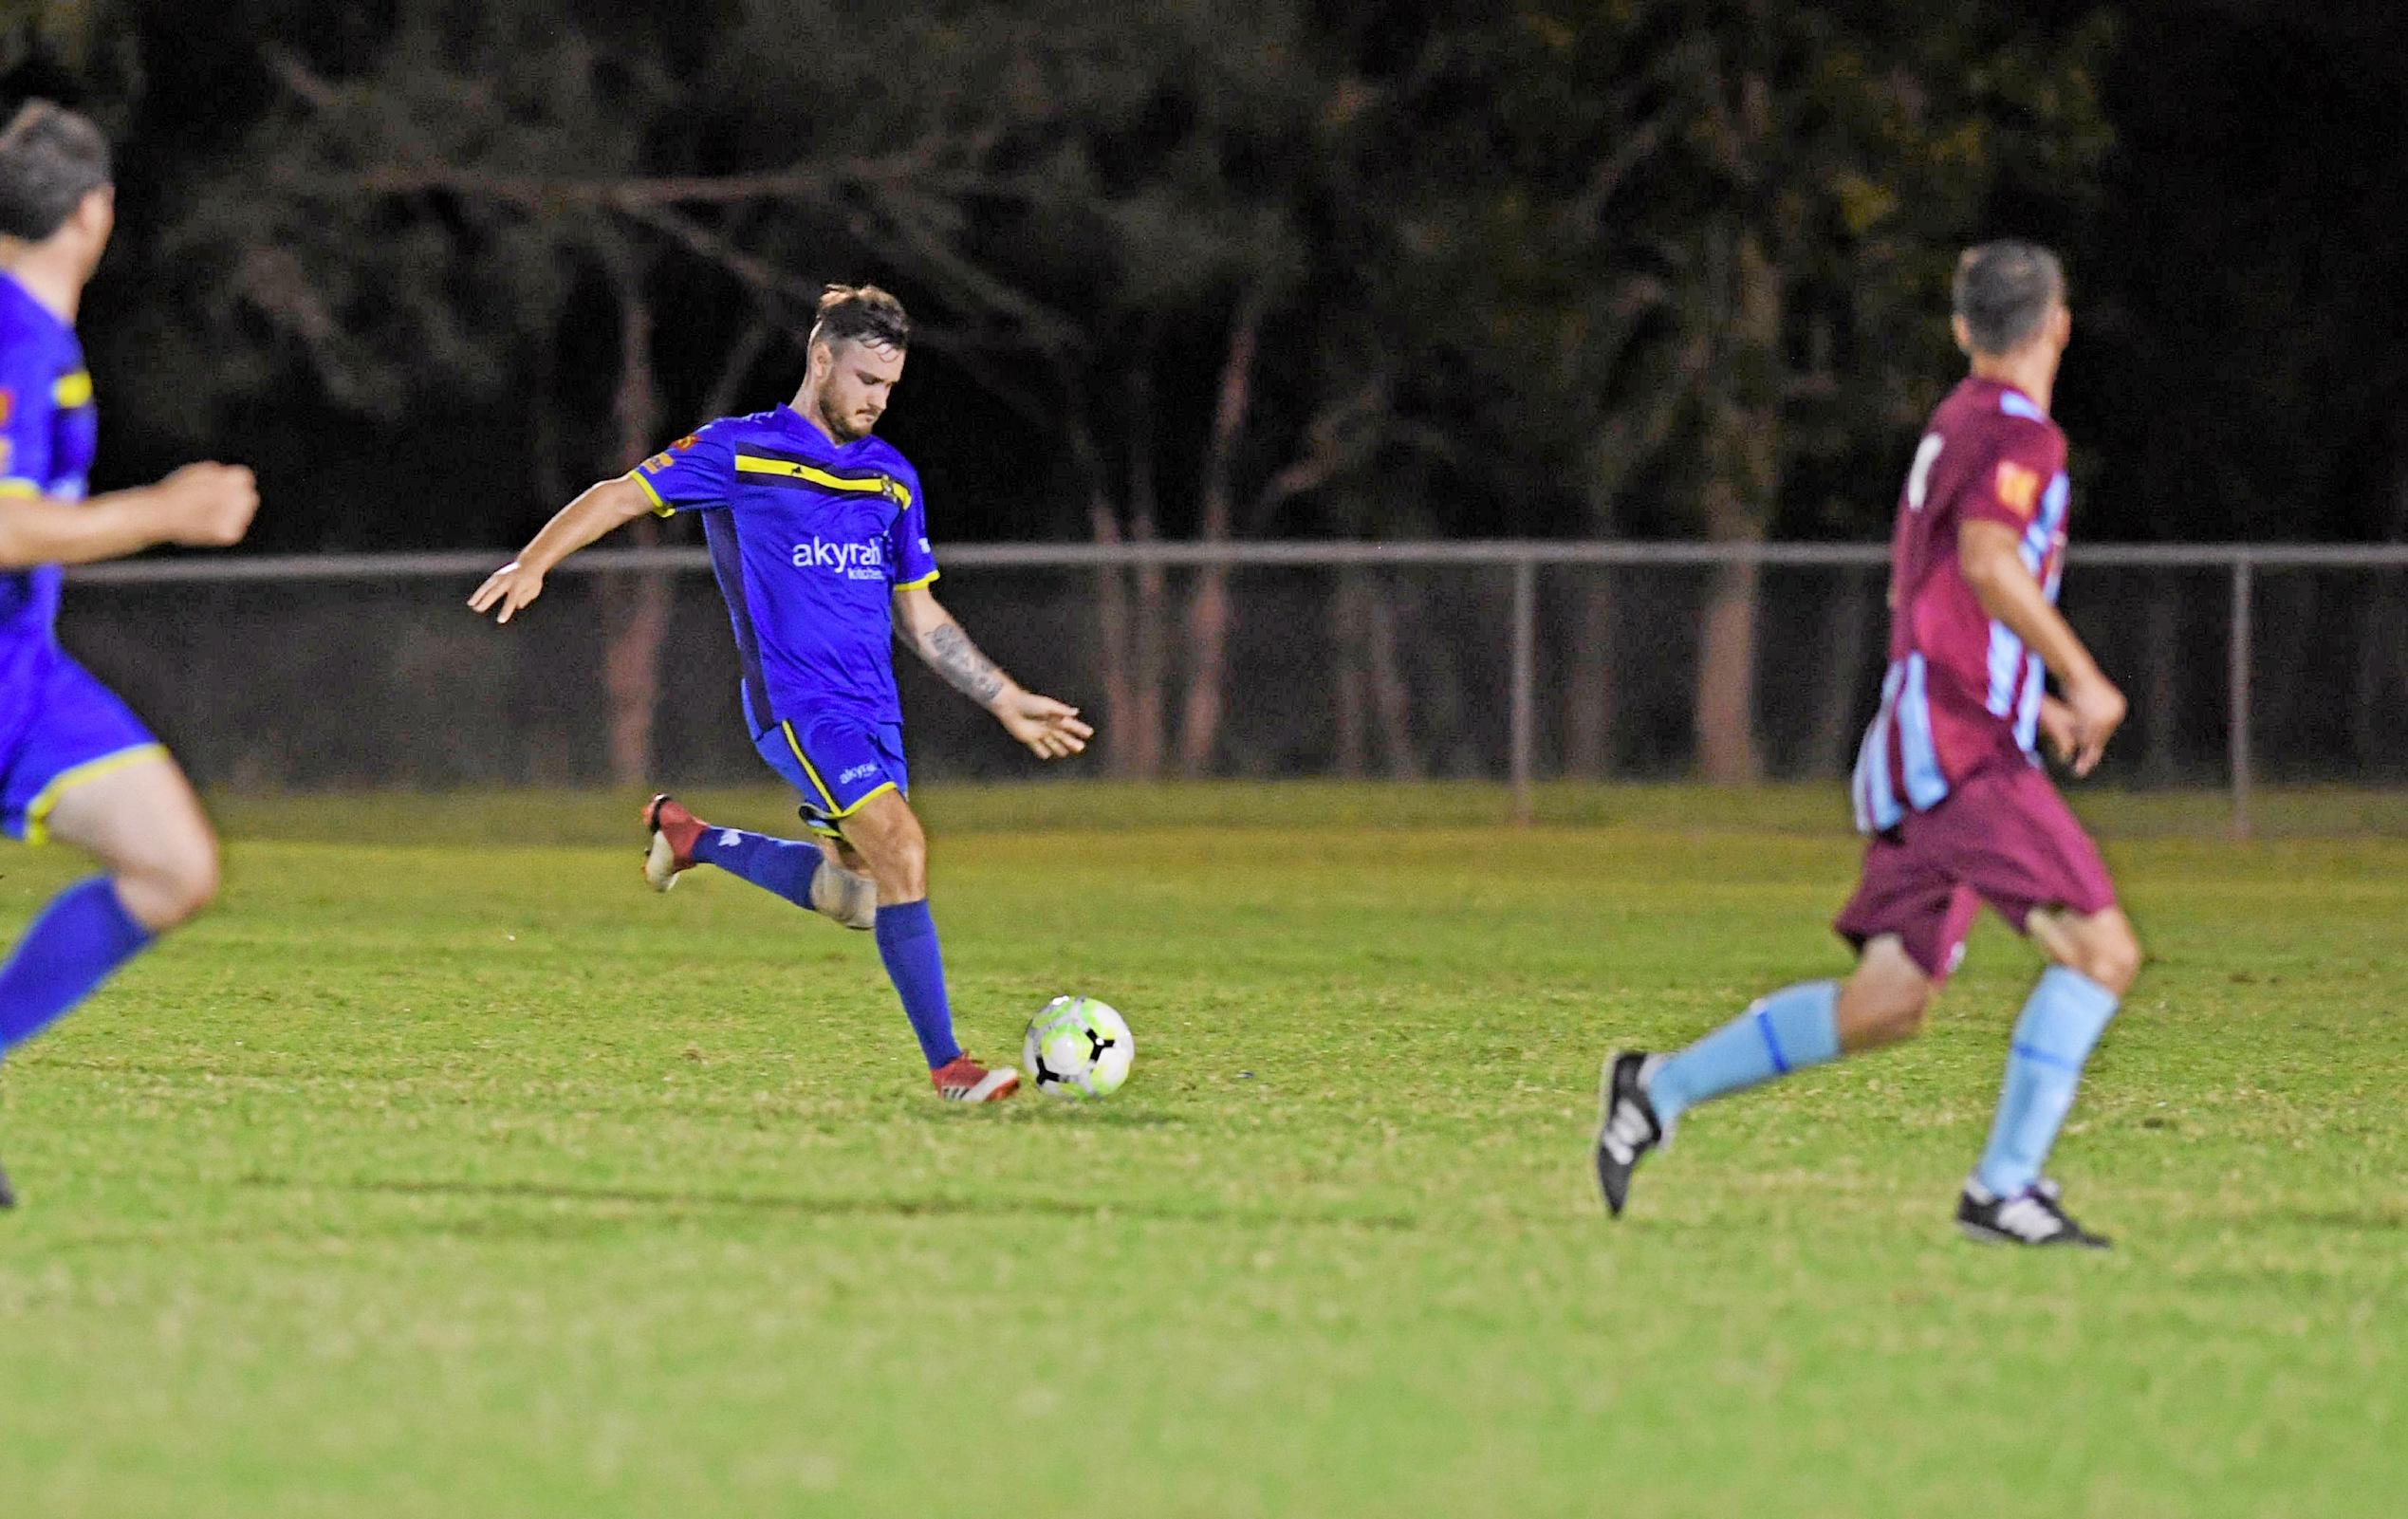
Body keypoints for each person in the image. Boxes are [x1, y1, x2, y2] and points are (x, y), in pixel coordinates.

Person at [1593, 241, 2142, 1247]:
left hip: (1926, 735)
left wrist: (2035, 703)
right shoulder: (2021, 436)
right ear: (2057, 323)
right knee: (2101, 949)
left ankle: (1656, 1089)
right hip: (1959, 748)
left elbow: (1937, 590)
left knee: (1890, 999)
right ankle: (2004, 1188)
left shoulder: (1957, 421)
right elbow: (1983, 565)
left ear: (1963, 328)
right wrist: (2080, 674)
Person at [470, 284, 1090, 1101]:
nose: (877, 400)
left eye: (890, 387)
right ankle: (951, 1068)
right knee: (904, 849)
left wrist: (1002, 696)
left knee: (859, 897)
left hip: (876, 712)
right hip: (800, 706)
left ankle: (691, 838)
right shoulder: (742, 451)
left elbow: (919, 611)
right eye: (866, 379)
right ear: (822, 358)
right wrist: (537, 559)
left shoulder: (891, 478)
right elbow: (621, 493)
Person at [0, 101, 261, 1206]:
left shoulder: (40, 335)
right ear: (95, 212)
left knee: (173, 864)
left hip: (23, 670)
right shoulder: (14, 333)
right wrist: (161, 508)